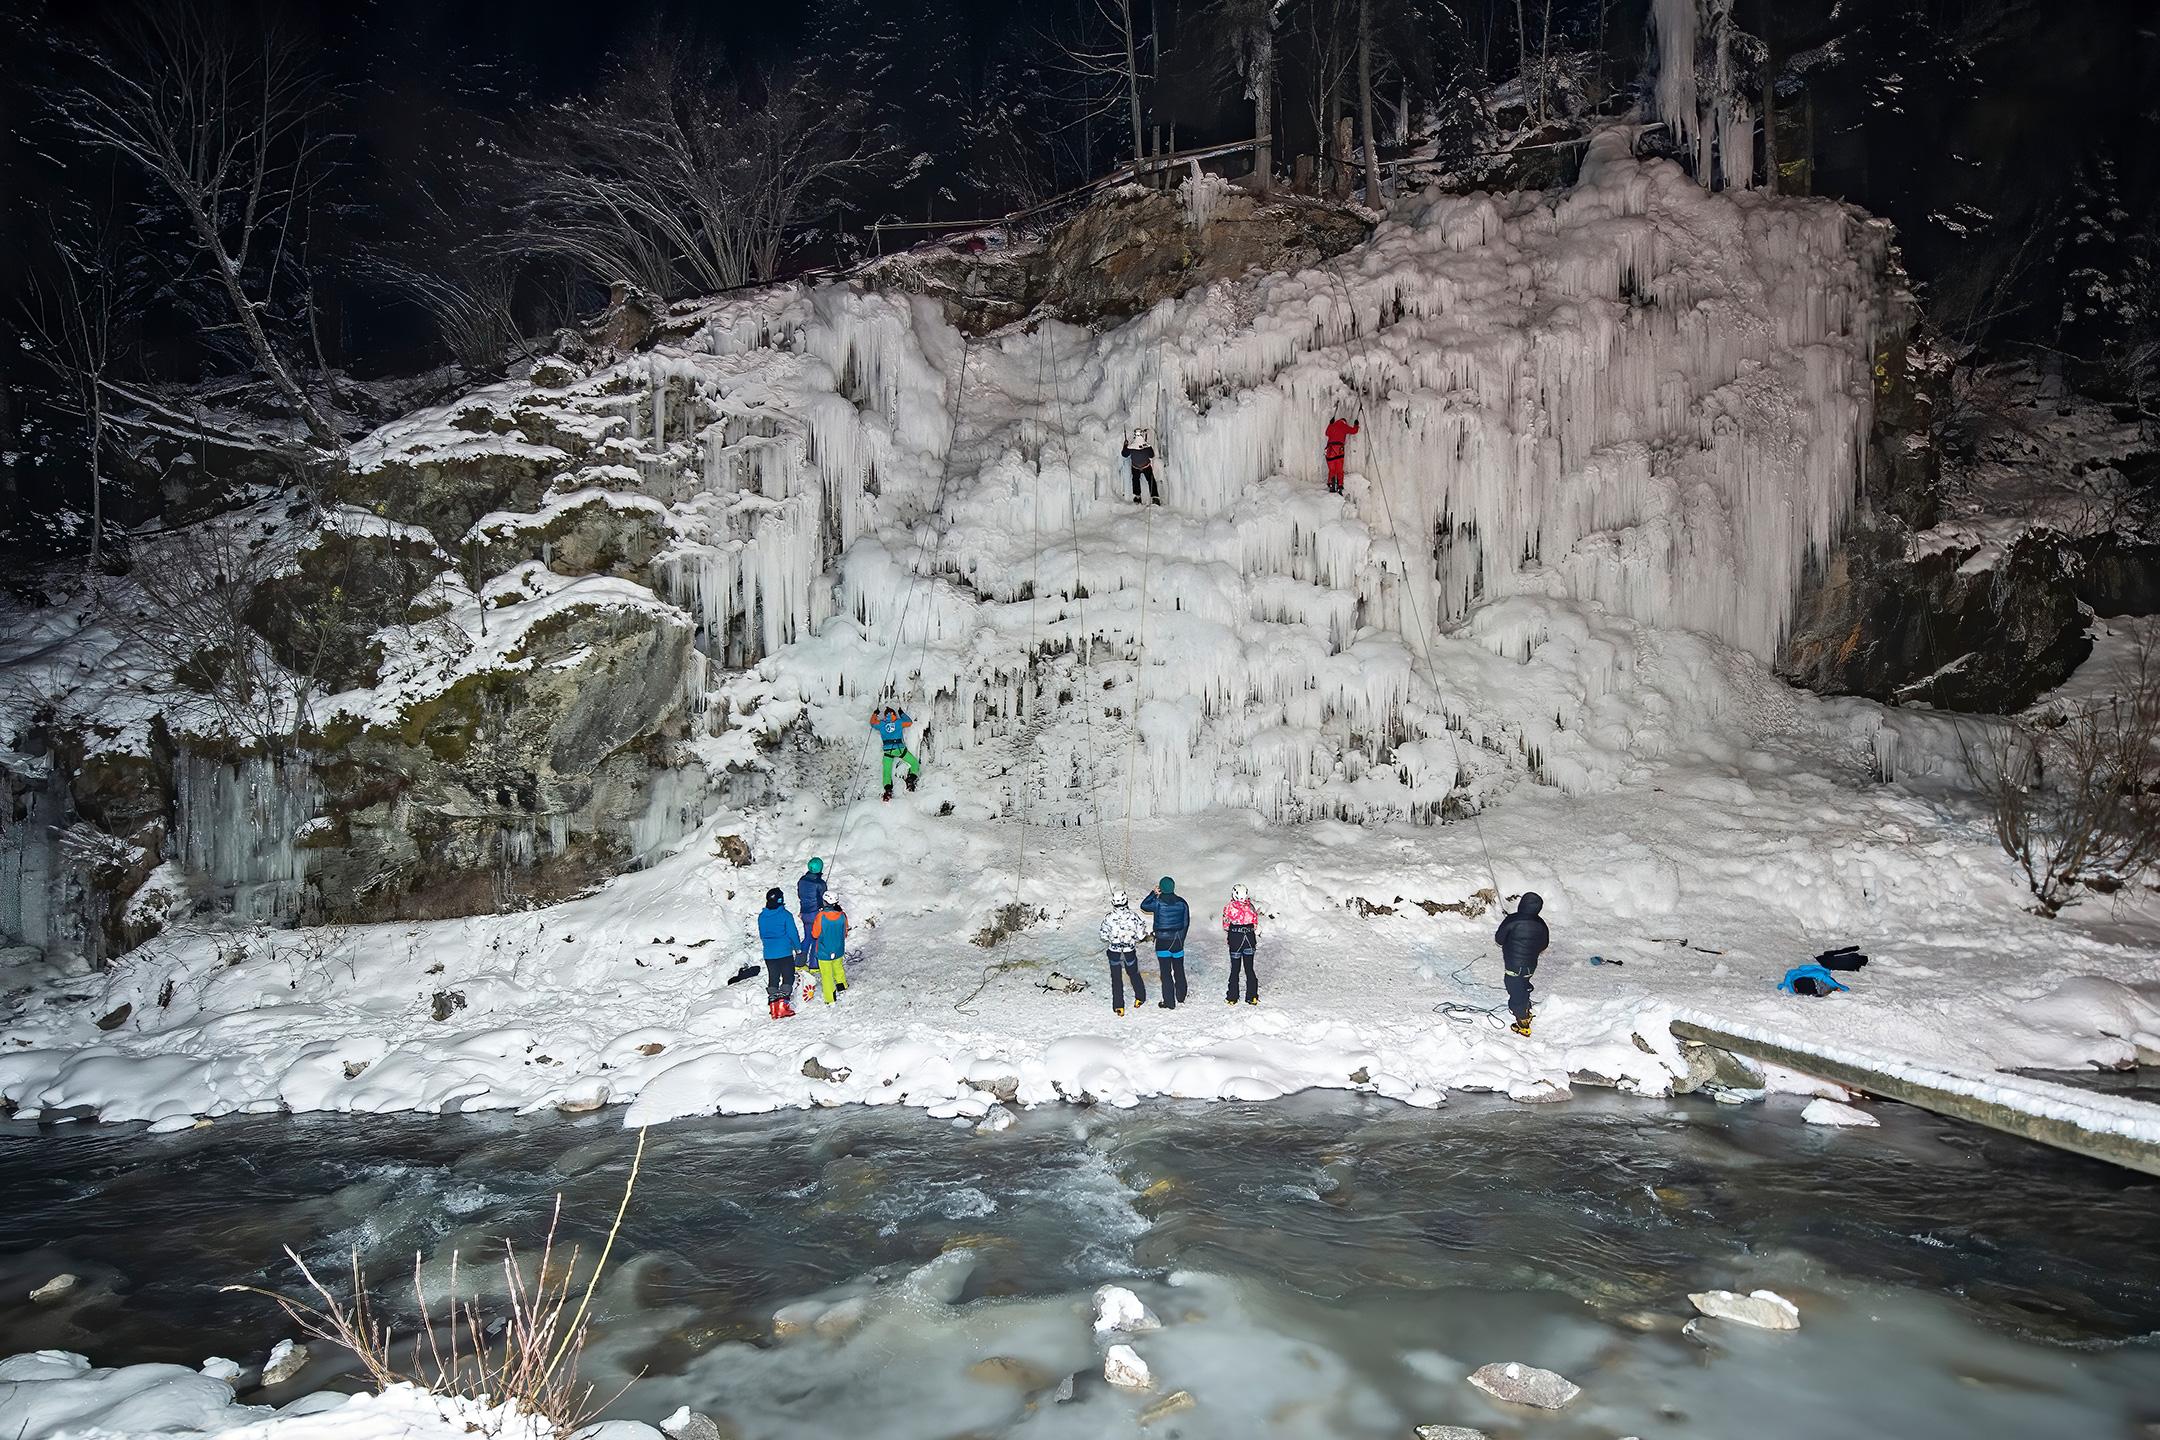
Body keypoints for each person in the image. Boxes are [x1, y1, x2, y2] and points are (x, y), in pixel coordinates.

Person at [1494, 892, 1548, 1037]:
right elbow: (1544, 944)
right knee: (1523, 983)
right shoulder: (1541, 924)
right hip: (1530, 966)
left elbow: (1499, 939)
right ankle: (1526, 1008)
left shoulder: (1512, 920)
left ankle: (1523, 1023)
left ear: (1522, 904)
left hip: (1513, 965)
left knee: (1515, 989)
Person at [1140, 876, 1189, 1009]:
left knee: (1166, 972)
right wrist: (1181, 939)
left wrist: (1153, 893)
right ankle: (1181, 996)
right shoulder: (1182, 902)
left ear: (1161, 888)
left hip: (1162, 941)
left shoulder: (1157, 902)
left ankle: (1169, 1002)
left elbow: (1143, 905)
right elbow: (1185, 923)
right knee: (1179, 969)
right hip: (1177, 941)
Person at [1099, 889, 1150, 1016]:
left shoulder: (1109, 918)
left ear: (1113, 902)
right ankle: (1140, 997)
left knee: (1116, 978)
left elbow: (1103, 935)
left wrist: (1113, 937)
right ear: (1126, 901)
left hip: (1114, 951)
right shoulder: (1134, 917)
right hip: (1129, 951)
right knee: (1134, 974)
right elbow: (1141, 935)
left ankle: (1118, 1006)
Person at [758, 887, 802, 1020]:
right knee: (788, 978)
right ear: (780, 900)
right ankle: (783, 1008)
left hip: (769, 954)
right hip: (784, 952)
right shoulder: (785, 915)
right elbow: (792, 933)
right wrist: (798, 948)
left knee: (773, 978)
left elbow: (762, 934)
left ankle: (774, 1009)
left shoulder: (762, 916)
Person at [872, 706, 921, 800]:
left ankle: (888, 790)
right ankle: (911, 780)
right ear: (894, 714)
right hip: (900, 750)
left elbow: (872, 723)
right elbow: (909, 722)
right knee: (914, 763)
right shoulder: (898, 722)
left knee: (886, 771)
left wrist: (875, 713)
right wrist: (901, 713)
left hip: (888, 751)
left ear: (885, 715)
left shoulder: (881, 724)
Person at [1222, 883, 1259, 1005]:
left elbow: (1226, 925)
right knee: (1249, 968)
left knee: (1235, 969)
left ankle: (1232, 996)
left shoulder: (1229, 907)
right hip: (1249, 938)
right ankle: (1252, 996)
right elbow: (1255, 924)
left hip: (1235, 938)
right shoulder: (1251, 907)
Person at [807, 895, 849, 1004]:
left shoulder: (821, 916)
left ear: (825, 902)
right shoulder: (842, 915)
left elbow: (815, 934)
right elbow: (845, 933)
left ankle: (830, 998)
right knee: (838, 968)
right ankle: (842, 987)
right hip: (838, 949)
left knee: (826, 974)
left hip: (824, 950)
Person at [796, 856, 827, 957]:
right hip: (815, 914)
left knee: (807, 938)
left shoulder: (802, 880)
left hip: (804, 913)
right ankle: (814, 964)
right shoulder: (820, 883)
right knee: (816, 939)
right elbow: (824, 898)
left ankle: (799, 962)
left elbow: (800, 895)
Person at [1121, 427, 1161, 506]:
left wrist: (1125, 445)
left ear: (1135, 436)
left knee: (1135, 481)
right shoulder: (1147, 446)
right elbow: (1151, 455)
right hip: (1146, 466)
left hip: (1135, 467)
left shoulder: (1131, 447)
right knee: (1151, 480)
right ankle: (1155, 497)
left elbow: (1124, 455)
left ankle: (1137, 496)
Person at [1324, 416, 1359, 494]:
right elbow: (1354, 431)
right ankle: (1340, 486)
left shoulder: (1333, 426)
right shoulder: (1344, 426)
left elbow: (1327, 433)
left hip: (1330, 450)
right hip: (1339, 450)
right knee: (1339, 469)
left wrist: (1330, 424)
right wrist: (1356, 424)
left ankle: (1331, 484)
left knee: (1332, 469)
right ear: (1344, 422)